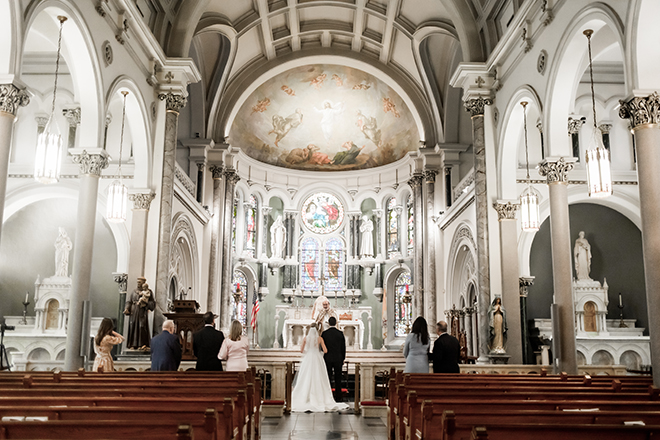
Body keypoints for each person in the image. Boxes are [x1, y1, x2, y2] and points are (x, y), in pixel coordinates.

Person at [291, 322, 348, 412]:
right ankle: (320, 397)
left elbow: (301, 351)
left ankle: (305, 396)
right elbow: (325, 350)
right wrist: (318, 352)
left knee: (306, 377)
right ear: (317, 330)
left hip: (308, 359)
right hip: (317, 359)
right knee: (319, 377)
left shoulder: (306, 338)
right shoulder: (320, 339)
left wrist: (308, 353)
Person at [124, 277, 155, 350]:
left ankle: (143, 344)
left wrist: (146, 303)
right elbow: (129, 301)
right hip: (134, 310)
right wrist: (127, 308)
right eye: (137, 282)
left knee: (142, 326)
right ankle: (132, 344)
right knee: (133, 326)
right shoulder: (134, 291)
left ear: (144, 283)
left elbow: (152, 303)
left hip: (142, 311)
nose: (138, 284)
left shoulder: (148, 291)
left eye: (140, 282)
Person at [321, 316, 346, 403]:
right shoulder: (340, 333)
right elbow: (343, 348)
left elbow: (321, 347)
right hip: (338, 358)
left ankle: (327, 396)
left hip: (327, 358)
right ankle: (338, 397)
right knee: (338, 378)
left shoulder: (324, 333)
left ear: (328, 323)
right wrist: (343, 358)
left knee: (327, 377)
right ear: (336, 323)